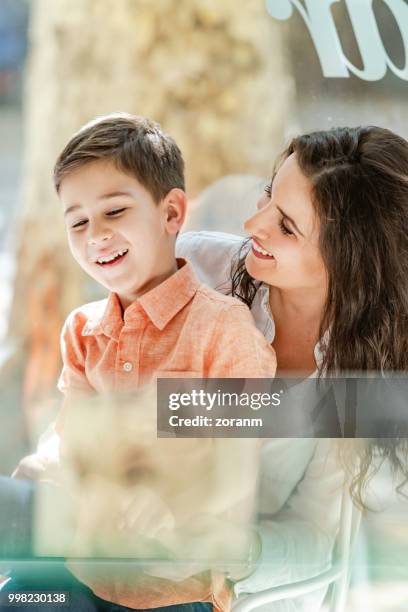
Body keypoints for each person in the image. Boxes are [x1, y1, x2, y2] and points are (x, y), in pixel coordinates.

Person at [4, 113, 277, 612]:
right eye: (78, 221)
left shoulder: (224, 332)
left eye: (114, 212)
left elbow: (238, 472)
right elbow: (71, 442)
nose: (96, 236)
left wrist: (176, 505)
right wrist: (43, 469)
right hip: (80, 569)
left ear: (172, 213)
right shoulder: (82, 332)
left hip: (175, 587)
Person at [176, 125, 408, 609]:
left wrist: (231, 554)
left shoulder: (362, 369)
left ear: (352, 261)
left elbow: (314, 534)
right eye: (267, 195)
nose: (251, 224)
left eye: (286, 226)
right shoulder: (190, 268)